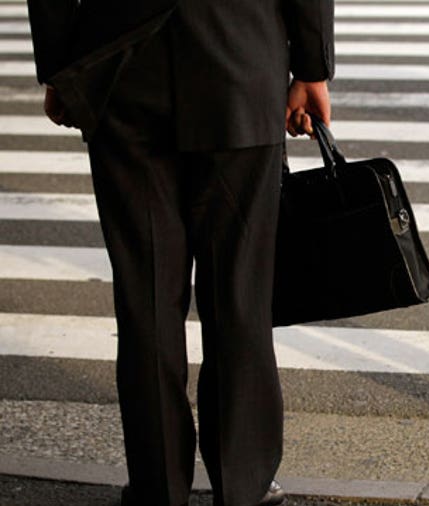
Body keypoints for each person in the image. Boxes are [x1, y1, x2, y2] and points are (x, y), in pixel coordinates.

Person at [26, 1, 334, 505]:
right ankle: (243, 485)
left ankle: (158, 485)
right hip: (240, 53)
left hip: (123, 63)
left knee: (145, 299)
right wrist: (312, 67)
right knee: (239, 295)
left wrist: (63, 66)